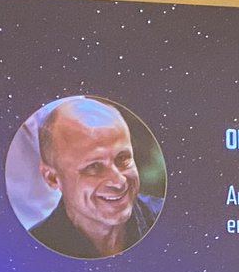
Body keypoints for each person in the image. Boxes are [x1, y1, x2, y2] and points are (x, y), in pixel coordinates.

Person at [29, 96, 163, 259]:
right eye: (94, 167)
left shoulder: (173, 225)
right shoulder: (30, 253)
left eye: (122, 159)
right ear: (52, 178)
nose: (119, 181)